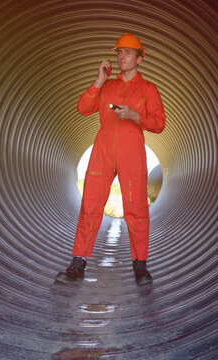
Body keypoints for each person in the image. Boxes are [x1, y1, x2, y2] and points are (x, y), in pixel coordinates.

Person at [56, 33, 166, 285]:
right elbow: (83, 108)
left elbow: (159, 123)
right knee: (90, 206)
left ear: (139, 58)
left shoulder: (148, 89)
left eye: (127, 52)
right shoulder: (107, 86)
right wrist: (98, 80)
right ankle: (78, 264)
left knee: (136, 208)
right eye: (119, 52)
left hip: (131, 151)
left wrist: (137, 117)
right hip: (103, 149)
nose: (121, 56)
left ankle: (140, 267)